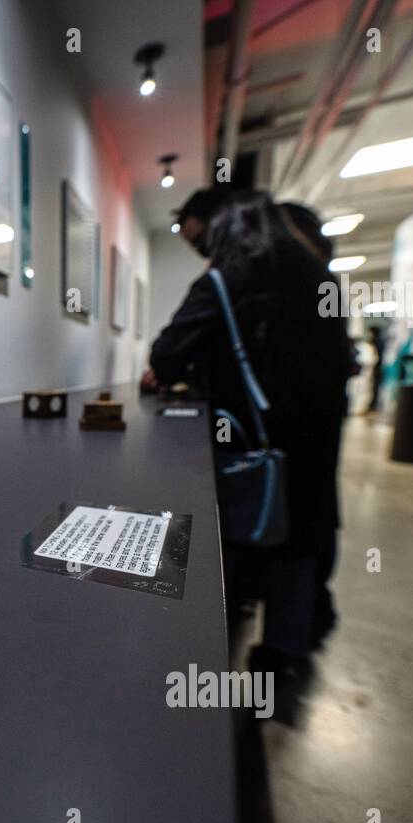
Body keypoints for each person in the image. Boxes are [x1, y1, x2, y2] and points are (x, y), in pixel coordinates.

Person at [146, 191, 351, 684]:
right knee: (302, 534)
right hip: (315, 438)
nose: (202, 252)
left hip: (248, 447)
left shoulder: (226, 279)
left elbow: (166, 354)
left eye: (201, 242)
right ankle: (283, 655)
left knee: (237, 537)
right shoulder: (319, 278)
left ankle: (215, 643)